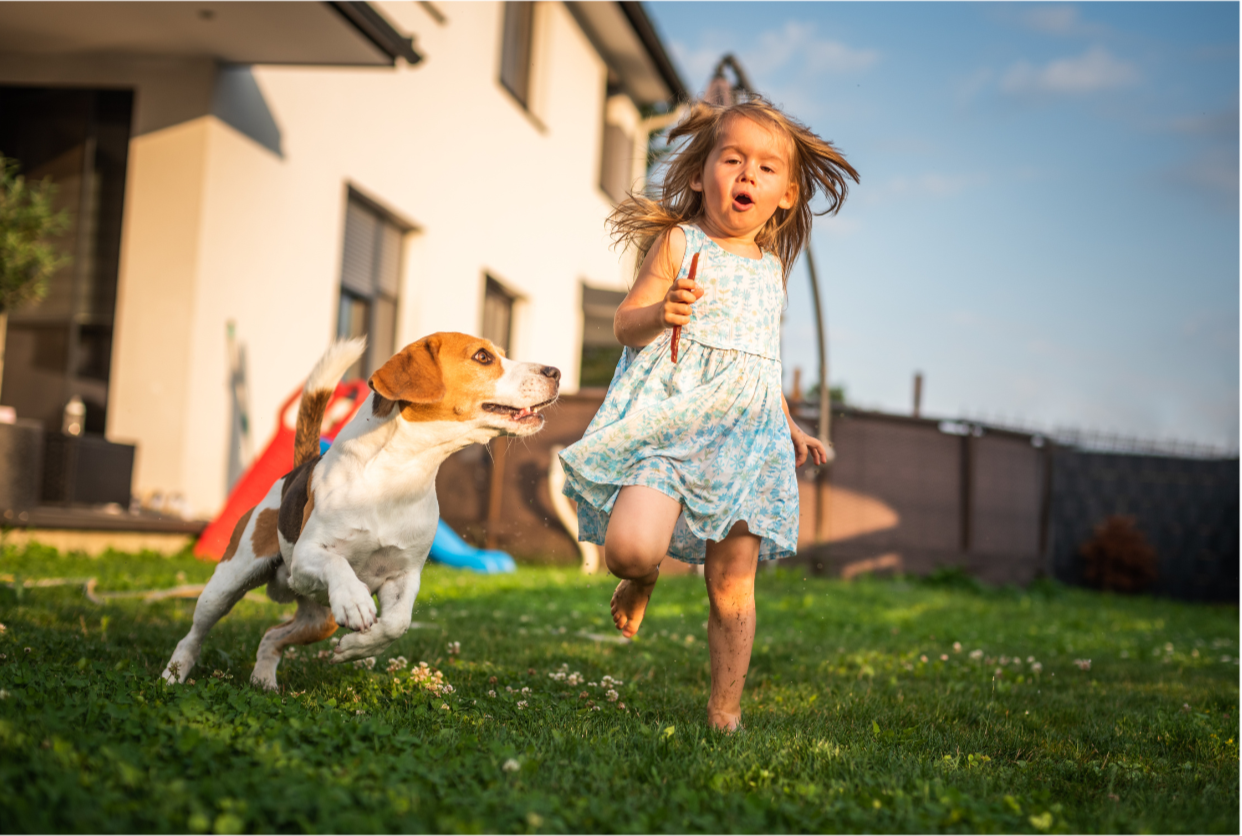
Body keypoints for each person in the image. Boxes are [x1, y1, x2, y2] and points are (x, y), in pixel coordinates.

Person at [559, 96, 858, 731]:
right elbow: (624, 324)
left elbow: (759, 363)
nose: (747, 174)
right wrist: (661, 309)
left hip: (747, 439)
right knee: (631, 549)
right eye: (733, 159)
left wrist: (790, 424)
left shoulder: (773, 269)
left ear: (786, 194)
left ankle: (725, 711)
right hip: (671, 424)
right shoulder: (679, 242)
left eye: (766, 167)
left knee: (732, 585)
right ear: (701, 174)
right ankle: (640, 582)